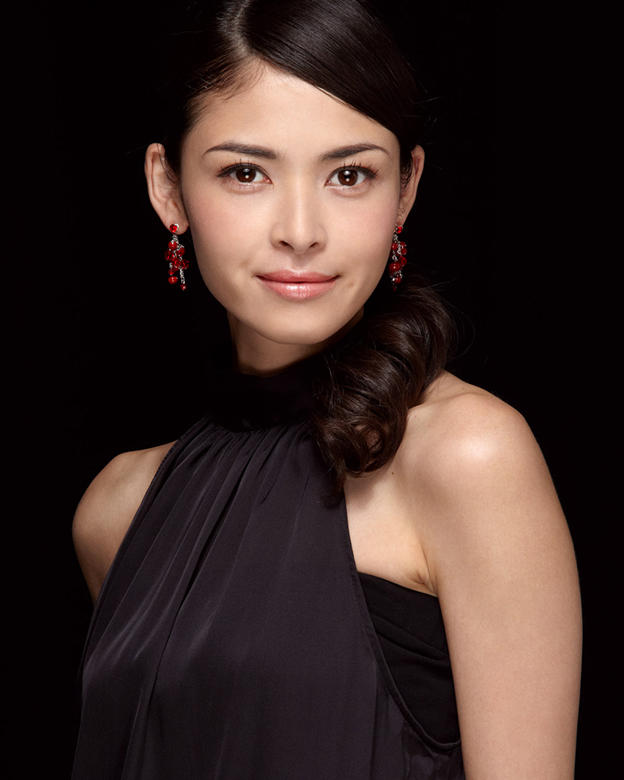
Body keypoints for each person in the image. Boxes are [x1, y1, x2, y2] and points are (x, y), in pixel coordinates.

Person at [70, 1, 582, 778]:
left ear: (405, 189)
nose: (302, 230)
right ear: (167, 188)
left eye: (349, 175)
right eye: (247, 172)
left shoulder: (469, 456)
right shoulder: (116, 512)